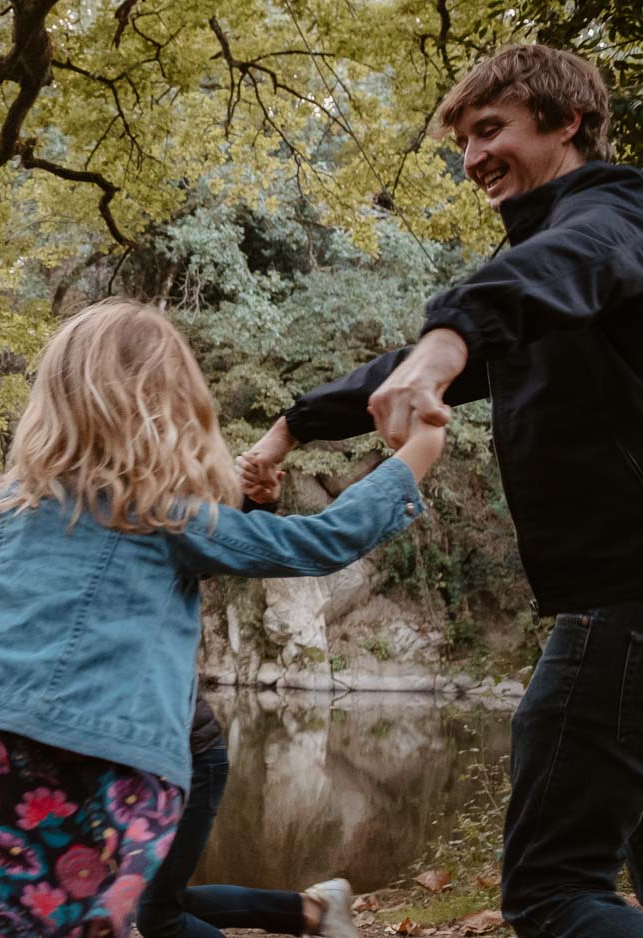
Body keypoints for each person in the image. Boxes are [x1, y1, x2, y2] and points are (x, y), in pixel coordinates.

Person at [0, 298, 444, 937]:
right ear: (177, 406)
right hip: (95, 764)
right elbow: (321, 541)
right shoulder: (171, 518)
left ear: (55, 398)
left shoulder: (8, 502)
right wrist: (415, 455)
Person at [238, 43, 643, 938]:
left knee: (552, 892)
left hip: (624, 598)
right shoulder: (545, 278)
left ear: (568, 121)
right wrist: (295, 423)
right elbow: (455, 336)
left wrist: (449, 338)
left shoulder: (614, 215)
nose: (472, 158)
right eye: (461, 140)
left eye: (491, 130)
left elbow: (561, 267)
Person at [134, 692, 356, 938]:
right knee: (160, 904)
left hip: (184, 763)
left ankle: (312, 910)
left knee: (158, 915)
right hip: (171, 761)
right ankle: (311, 910)